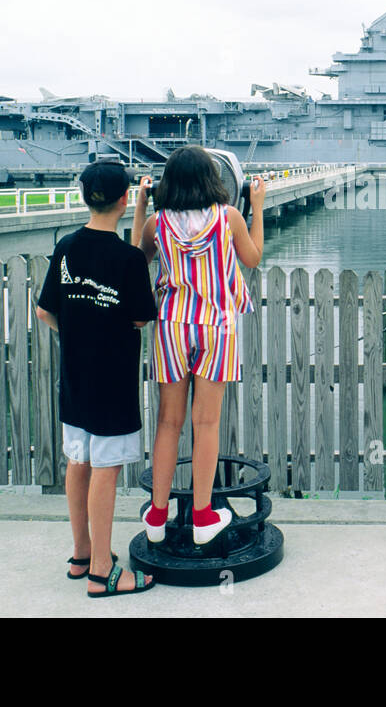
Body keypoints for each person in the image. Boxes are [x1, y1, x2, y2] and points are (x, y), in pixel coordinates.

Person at [36, 161, 158, 598]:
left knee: (78, 461)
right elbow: (142, 317)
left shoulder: (66, 246)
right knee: (106, 468)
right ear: (125, 200)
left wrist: (78, 332)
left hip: (75, 378)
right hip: (113, 382)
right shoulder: (127, 259)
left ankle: (81, 554)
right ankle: (103, 573)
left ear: (85, 196)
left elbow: (45, 311)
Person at [132, 145, 264, 547]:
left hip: (172, 325)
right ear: (213, 179)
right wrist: (257, 207)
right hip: (216, 326)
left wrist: (141, 205)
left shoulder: (158, 224)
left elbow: (139, 257)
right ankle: (205, 516)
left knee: (168, 423)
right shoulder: (230, 218)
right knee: (205, 423)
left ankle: (157, 514)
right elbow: (253, 258)